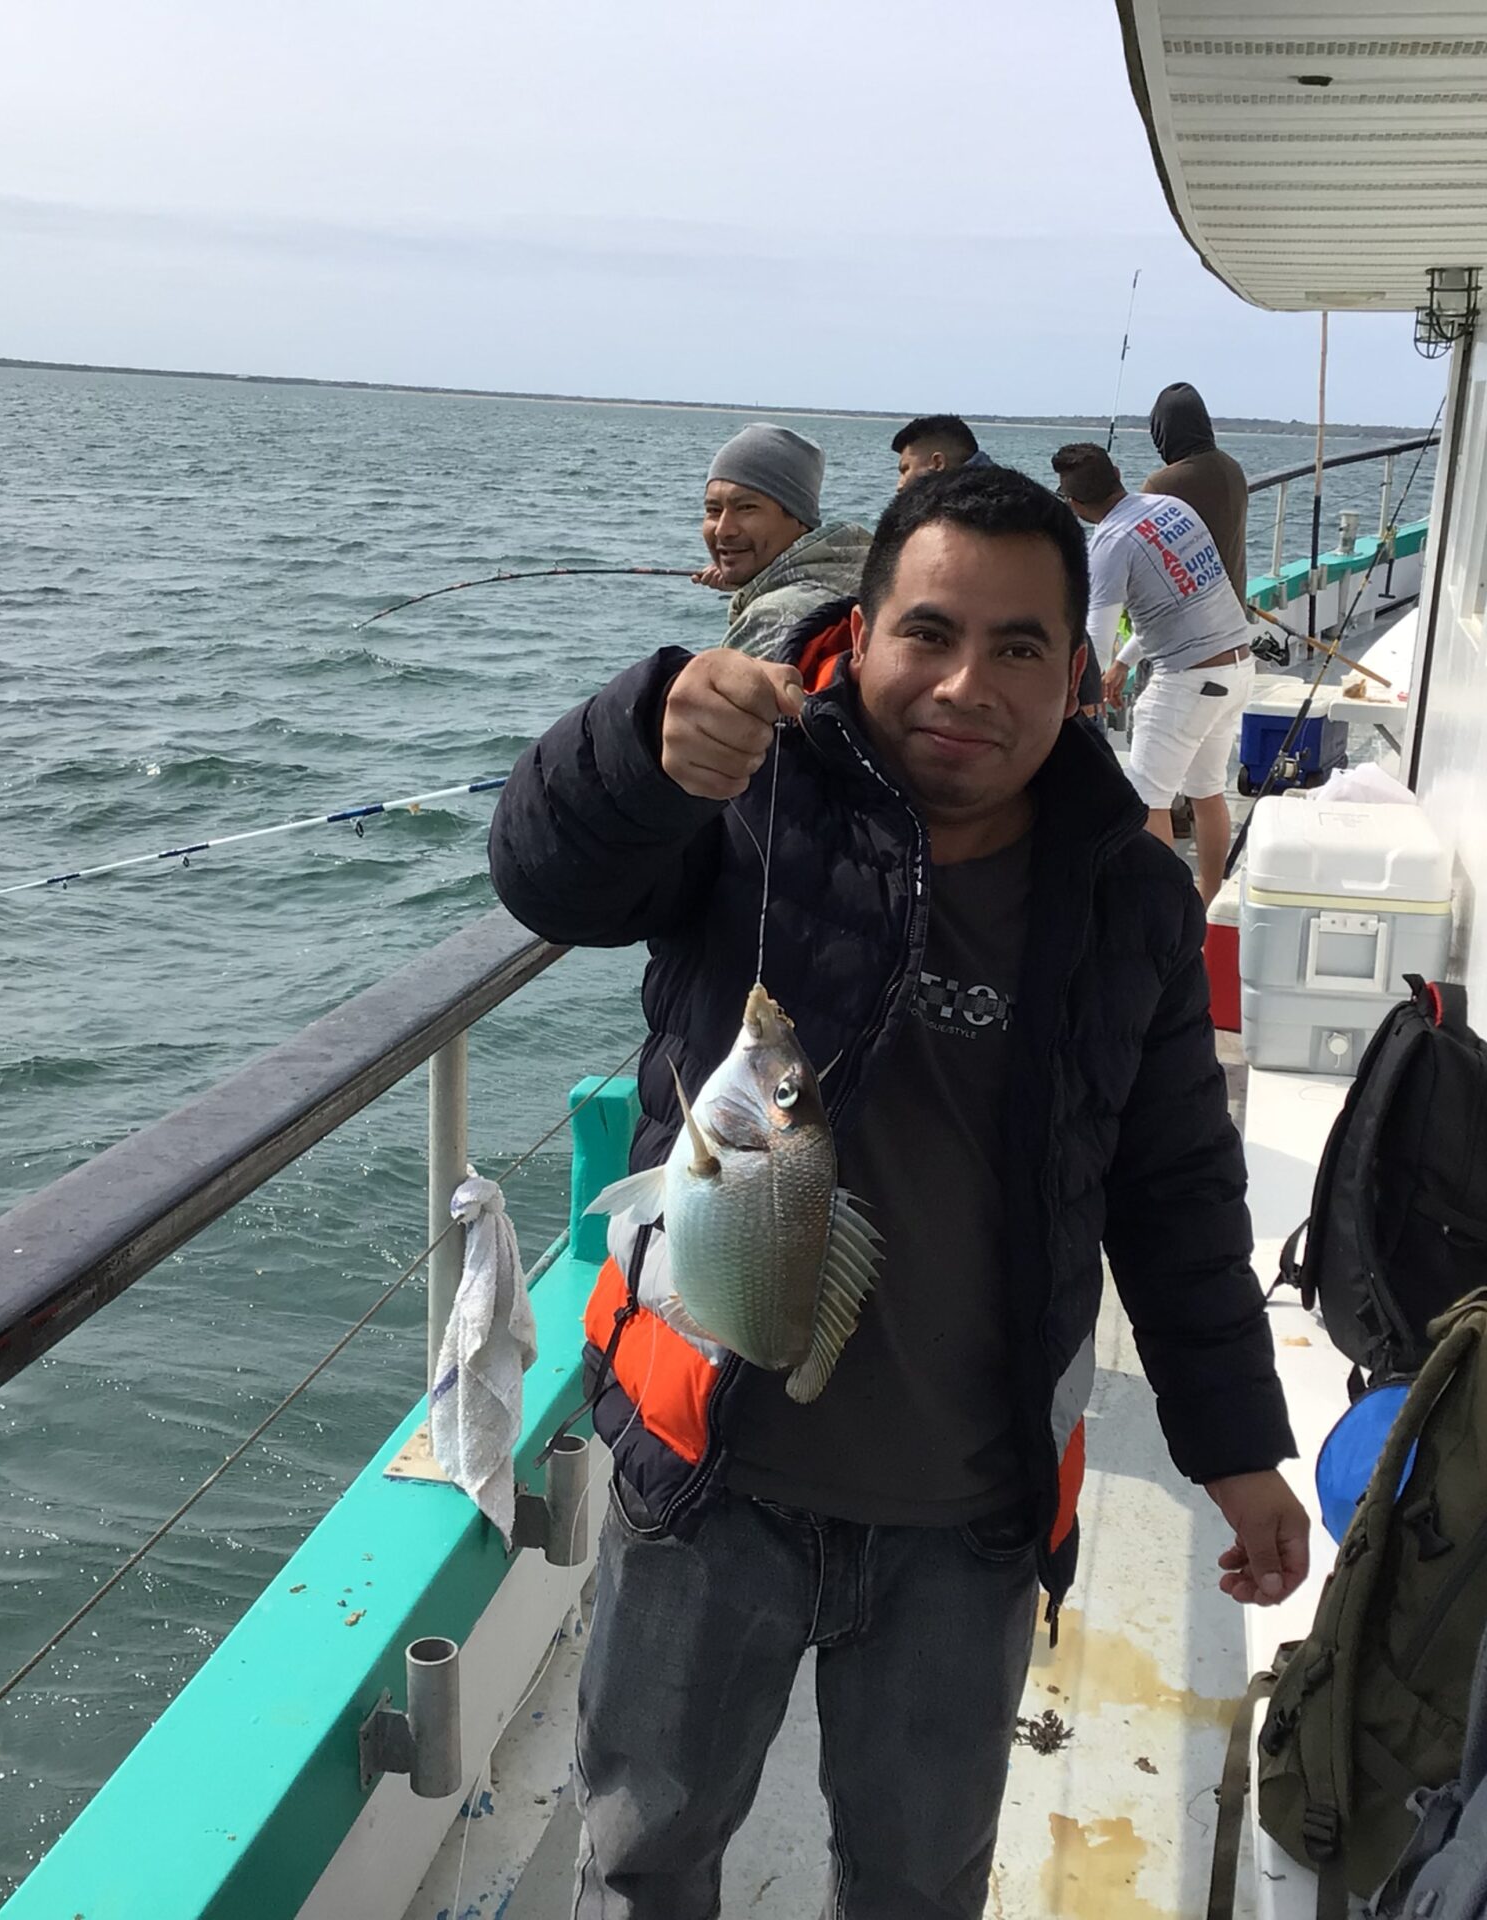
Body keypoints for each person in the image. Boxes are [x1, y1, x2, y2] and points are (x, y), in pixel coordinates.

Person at [490, 464, 1305, 1919]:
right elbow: (548, 881)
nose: (964, 683)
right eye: (927, 633)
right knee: (640, 1852)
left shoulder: (1126, 894)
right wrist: (641, 742)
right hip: (707, 1477)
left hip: (969, 1514)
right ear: (857, 638)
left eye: (1018, 648)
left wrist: (1238, 1446)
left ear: (1086, 673)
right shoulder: (753, 804)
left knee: (920, 1880)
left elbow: (1175, 1188)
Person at [1052, 444, 1254, 908]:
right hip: (1236, 668)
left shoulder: (1109, 543)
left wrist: (1076, 694)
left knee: (1147, 803)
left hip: (1187, 681)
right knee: (1207, 791)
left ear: (1073, 504)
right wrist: (1124, 661)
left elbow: (1094, 638)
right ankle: (1207, 902)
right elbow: (1177, 597)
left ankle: (1163, 918)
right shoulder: (1173, 508)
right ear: (1119, 475)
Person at [696, 421, 873, 656]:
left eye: (747, 507)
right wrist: (753, 587)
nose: (723, 530)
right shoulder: (867, 579)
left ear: (799, 518)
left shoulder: (771, 617)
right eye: (713, 510)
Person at [1142, 381, 1249, 586]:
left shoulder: (1161, 485)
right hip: (1233, 606)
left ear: (1162, 429)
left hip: (1189, 615)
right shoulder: (1232, 468)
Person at [891, 412, 993, 489]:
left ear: (938, 463)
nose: (899, 485)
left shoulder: (954, 512)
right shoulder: (1003, 494)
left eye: (905, 470)